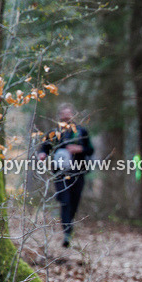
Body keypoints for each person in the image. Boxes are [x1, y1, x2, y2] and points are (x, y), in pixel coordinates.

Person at [37, 103, 94, 248]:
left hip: (78, 172)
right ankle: (67, 232)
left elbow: (90, 149)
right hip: (60, 174)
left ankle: (69, 226)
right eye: (64, 114)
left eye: (69, 114)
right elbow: (44, 147)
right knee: (65, 201)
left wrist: (79, 148)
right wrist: (42, 154)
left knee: (74, 202)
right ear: (60, 116)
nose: (66, 117)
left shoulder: (81, 131)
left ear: (73, 115)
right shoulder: (54, 133)